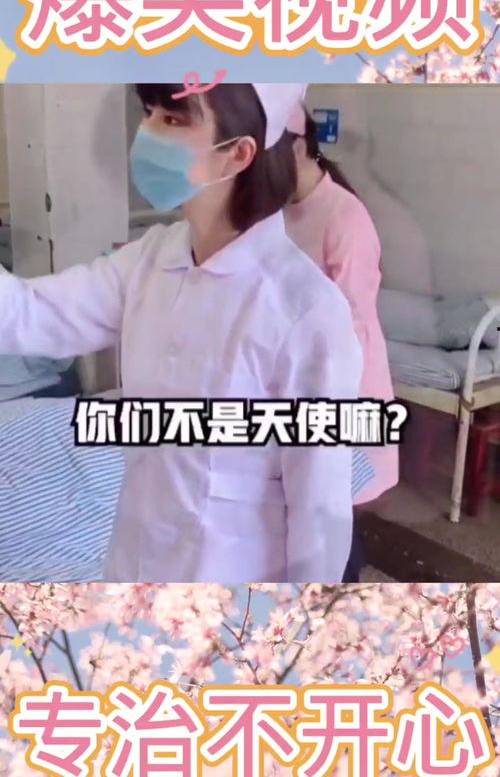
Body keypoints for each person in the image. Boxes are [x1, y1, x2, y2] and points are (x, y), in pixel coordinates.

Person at [0, 83, 363, 584]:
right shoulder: (149, 260)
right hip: (135, 562)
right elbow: (30, 315)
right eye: (149, 112)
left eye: (173, 120)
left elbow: (319, 507)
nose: (146, 134)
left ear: (238, 153)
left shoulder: (304, 310)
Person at [285, 104, 399, 579]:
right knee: (303, 510)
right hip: (296, 382)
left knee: (332, 509)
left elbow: (348, 322)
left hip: (341, 385)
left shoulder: (345, 217)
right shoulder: (280, 212)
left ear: (297, 147)